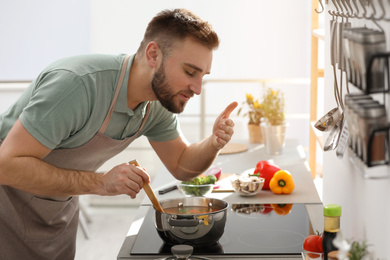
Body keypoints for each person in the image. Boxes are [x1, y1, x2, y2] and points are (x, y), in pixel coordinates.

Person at [0, 8, 237, 260]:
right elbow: (6, 166)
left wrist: (214, 143)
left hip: (55, 211)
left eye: (203, 76)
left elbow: (180, 164)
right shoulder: (79, 85)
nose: (197, 89)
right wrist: (101, 183)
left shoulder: (155, 103)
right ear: (153, 54)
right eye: (190, 72)